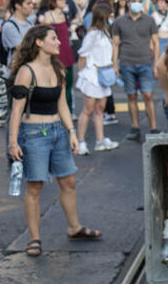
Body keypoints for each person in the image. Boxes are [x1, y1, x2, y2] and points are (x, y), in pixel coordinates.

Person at [7, 25, 102, 258]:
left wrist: (71, 132)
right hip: (33, 133)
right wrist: (12, 143)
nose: (59, 42)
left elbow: (62, 105)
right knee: (35, 186)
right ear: (39, 42)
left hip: (58, 131)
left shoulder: (58, 68)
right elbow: (16, 111)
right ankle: (34, 238)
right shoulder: (26, 71)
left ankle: (74, 227)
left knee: (68, 182)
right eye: (54, 38)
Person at [112, 0, 160, 140]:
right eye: (133, 1)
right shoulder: (119, 21)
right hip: (127, 63)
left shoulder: (149, 20)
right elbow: (115, 44)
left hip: (145, 62)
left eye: (139, 1)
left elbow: (156, 42)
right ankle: (135, 127)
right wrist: (114, 64)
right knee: (131, 96)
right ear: (128, 3)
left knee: (148, 95)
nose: (136, 4)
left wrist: (156, 64)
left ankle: (153, 127)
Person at [74, 3, 120, 154]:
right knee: (88, 110)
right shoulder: (93, 34)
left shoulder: (106, 32)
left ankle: (100, 140)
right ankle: (81, 142)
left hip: (104, 75)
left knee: (100, 109)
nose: (112, 18)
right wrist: (82, 75)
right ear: (103, 16)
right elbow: (83, 55)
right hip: (93, 75)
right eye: (110, 15)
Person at [0, 0, 34, 126]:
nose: (32, 6)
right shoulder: (9, 26)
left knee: (27, 116)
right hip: (15, 75)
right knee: (15, 116)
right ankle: (12, 144)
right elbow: (23, 48)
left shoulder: (30, 24)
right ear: (17, 5)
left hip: (30, 73)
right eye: (28, 3)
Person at [38, 0, 77, 116]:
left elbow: (78, 17)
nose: (64, 1)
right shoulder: (48, 15)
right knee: (56, 84)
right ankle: (56, 111)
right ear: (54, 2)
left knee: (69, 84)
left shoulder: (65, 15)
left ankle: (69, 110)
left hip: (67, 52)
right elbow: (44, 35)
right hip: (56, 54)